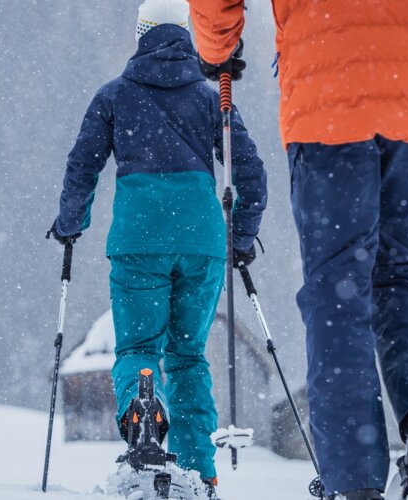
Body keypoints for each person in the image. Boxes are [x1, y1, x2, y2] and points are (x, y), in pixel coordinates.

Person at [186, 1, 408, 499]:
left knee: (338, 288)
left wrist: (218, 45)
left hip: (327, 95)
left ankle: (352, 479)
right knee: (399, 268)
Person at [47, 0, 267, 494]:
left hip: (138, 238)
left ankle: (143, 411)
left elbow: (82, 166)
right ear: (186, 34)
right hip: (201, 241)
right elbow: (250, 171)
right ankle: (199, 471)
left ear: (141, 33)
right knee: (188, 356)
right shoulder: (211, 100)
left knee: (139, 347)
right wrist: (241, 237)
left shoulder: (114, 96)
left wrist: (70, 224)